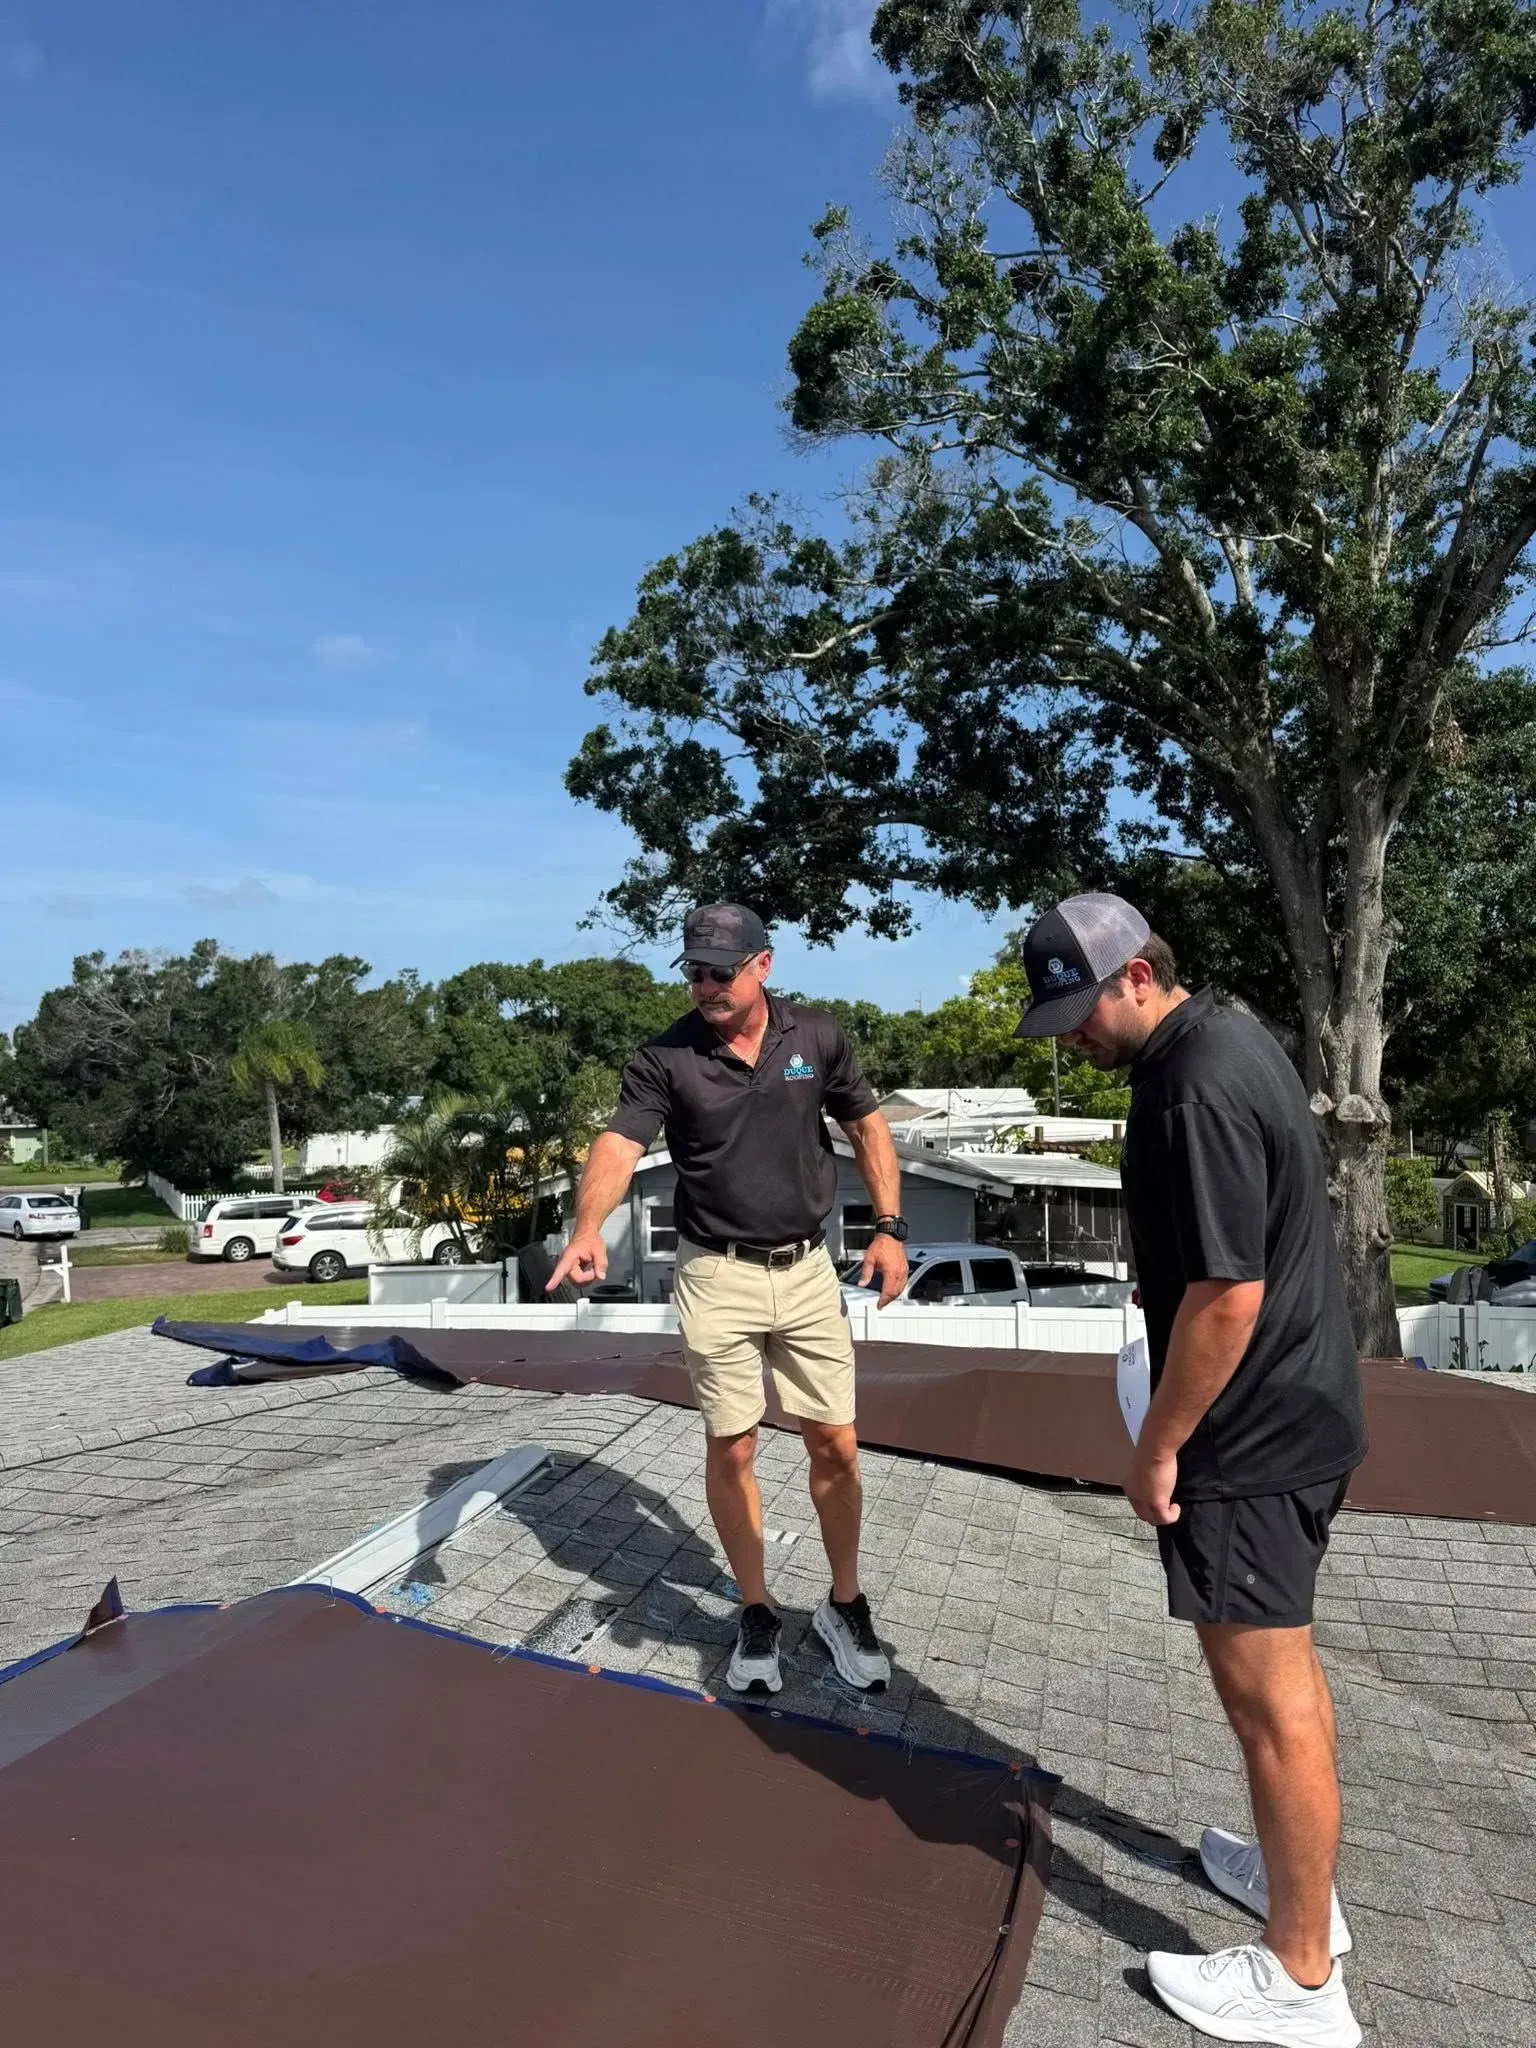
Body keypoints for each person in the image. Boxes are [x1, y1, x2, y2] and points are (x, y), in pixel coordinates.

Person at [1015, 893, 1367, 2048]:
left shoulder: (1191, 1087)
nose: (1069, 1034)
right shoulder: (1228, 1032)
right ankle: (1291, 1876)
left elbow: (1227, 1296)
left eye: (1078, 1009)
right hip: (1294, 1409)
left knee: (1268, 1700)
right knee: (1283, 1681)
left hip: (1248, 1431)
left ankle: (1303, 1975)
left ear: (1135, 978)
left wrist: (1158, 1442)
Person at [547, 903, 909, 1698]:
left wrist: (889, 1227)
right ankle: (755, 1608)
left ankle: (844, 1603)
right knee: (733, 1445)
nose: (706, 985)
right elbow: (618, 1143)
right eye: (695, 971)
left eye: (722, 969)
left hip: (809, 1271)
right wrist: (586, 1225)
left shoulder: (816, 1036)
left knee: (836, 1444)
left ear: (763, 965)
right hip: (716, 1275)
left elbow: (868, 1127)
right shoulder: (664, 1058)